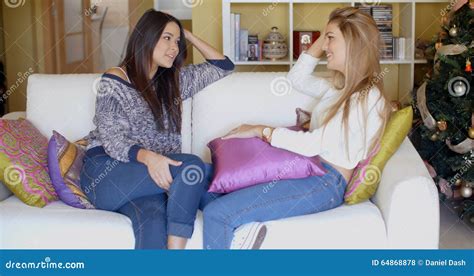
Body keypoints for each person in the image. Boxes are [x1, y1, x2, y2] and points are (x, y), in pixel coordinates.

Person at [201, 7, 392, 249]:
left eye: (331, 39)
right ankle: (246, 233)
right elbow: (296, 77)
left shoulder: (366, 96)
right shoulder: (338, 90)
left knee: (217, 214)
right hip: (307, 169)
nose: (324, 47)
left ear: (352, 43)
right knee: (207, 184)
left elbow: (314, 143)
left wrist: (261, 130)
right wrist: (327, 33)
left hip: (324, 183)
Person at [80, 10, 234, 249]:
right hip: (106, 174)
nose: (174, 47)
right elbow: (112, 138)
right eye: (167, 38)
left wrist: (186, 34)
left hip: (149, 179)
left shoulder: (173, 83)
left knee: (152, 222)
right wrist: (150, 158)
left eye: (177, 41)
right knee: (193, 169)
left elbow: (223, 66)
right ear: (147, 37)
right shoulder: (115, 78)